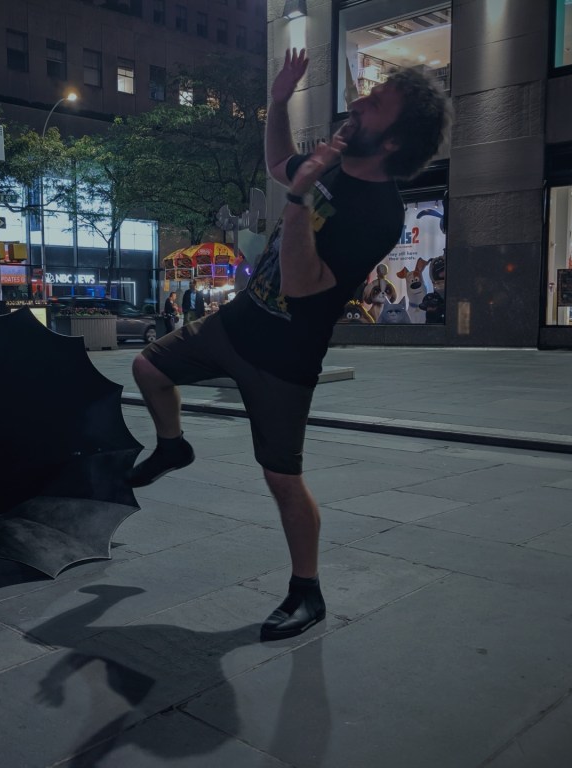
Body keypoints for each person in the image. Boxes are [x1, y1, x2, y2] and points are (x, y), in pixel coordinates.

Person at [127, 49, 449, 641]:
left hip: (285, 359)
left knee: (282, 479)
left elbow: (303, 285)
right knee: (148, 367)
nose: (356, 102)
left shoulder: (379, 215)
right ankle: (172, 447)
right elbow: (278, 162)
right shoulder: (334, 161)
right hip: (235, 324)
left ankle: (308, 592)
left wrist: (301, 198)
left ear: (394, 141)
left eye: (375, 103)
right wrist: (277, 101)